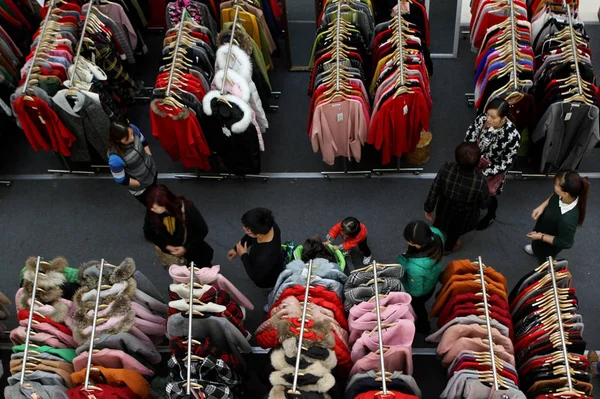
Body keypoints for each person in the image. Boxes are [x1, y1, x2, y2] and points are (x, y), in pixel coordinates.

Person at [464, 98, 521, 230]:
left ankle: (491, 215)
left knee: (489, 195)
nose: (488, 119)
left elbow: (506, 163)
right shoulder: (482, 119)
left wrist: (484, 173)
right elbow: (470, 135)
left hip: (491, 172)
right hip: (473, 163)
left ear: (504, 118)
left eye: (493, 117)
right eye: (488, 114)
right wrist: (468, 156)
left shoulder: (512, 136)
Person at [425, 143, 490, 254]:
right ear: (478, 162)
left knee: (439, 223)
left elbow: (435, 188)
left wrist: (429, 207)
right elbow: (484, 203)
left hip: (444, 206)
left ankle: (433, 244)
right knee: (455, 232)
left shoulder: (446, 169)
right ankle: (447, 248)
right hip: (464, 213)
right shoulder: (480, 180)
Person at [525, 170, 589, 264]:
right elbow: (554, 196)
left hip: (549, 244)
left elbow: (565, 243)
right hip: (545, 226)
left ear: (565, 193)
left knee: (544, 257)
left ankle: (543, 260)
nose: (554, 187)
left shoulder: (568, 220)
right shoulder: (566, 195)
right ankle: (536, 249)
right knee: (537, 246)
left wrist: (540, 236)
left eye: (556, 185)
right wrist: (542, 206)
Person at [143, 185, 213, 268]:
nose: (151, 210)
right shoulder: (153, 212)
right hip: (172, 254)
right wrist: (165, 245)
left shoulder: (187, 208)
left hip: (193, 249)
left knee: (200, 271)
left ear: (165, 204)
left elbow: (202, 230)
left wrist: (186, 248)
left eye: (155, 208)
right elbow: (148, 232)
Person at [397, 221, 445, 334]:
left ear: (417, 245)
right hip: (431, 283)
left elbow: (416, 292)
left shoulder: (414, 268)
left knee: (419, 308)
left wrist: (401, 285)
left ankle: (424, 326)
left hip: (421, 292)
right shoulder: (436, 234)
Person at [227, 208, 284, 291]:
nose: (244, 228)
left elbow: (256, 277)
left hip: (266, 281)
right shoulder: (270, 226)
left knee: (267, 290)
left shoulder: (265, 257)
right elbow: (250, 236)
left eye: (247, 230)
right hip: (271, 264)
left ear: (260, 235)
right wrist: (236, 248)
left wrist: (243, 255)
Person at [108, 120, 157, 205]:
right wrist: (140, 183)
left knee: (156, 194)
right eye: (127, 138)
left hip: (152, 172)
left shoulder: (132, 128)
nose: (132, 138)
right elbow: (121, 179)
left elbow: (143, 141)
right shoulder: (115, 158)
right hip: (141, 188)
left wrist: (149, 156)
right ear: (118, 140)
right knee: (152, 206)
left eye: (131, 133)